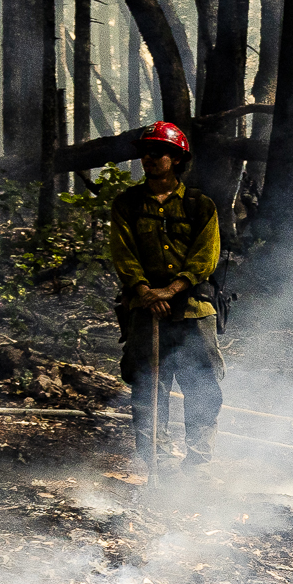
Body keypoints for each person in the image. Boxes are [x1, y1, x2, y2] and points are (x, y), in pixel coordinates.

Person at [110, 121, 225, 472]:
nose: (150, 157)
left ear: (176, 158)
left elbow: (206, 256)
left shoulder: (200, 206)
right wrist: (146, 292)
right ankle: (156, 461)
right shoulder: (127, 204)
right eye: (146, 152)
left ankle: (199, 464)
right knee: (148, 388)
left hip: (193, 309)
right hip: (146, 311)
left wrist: (172, 289)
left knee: (203, 386)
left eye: (159, 152)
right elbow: (123, 253)